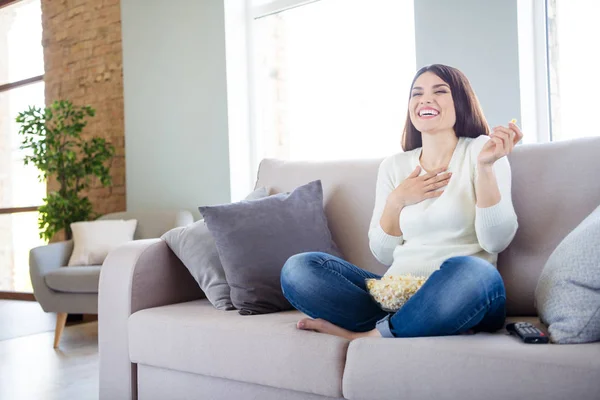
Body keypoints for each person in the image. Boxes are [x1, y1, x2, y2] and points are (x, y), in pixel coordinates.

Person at [279, 64, 523, 339]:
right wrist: (397, 201)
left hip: (463, 291)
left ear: (461, 102)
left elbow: (495, 242)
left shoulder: (483, 151)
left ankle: (374, 335)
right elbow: (383, 255)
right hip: (398, 292)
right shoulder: (394, 166)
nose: (425, 99)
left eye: (439, 91)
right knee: (299, 268)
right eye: (417, 93)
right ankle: (402, 326)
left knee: (472, 271)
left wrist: (487, 168)